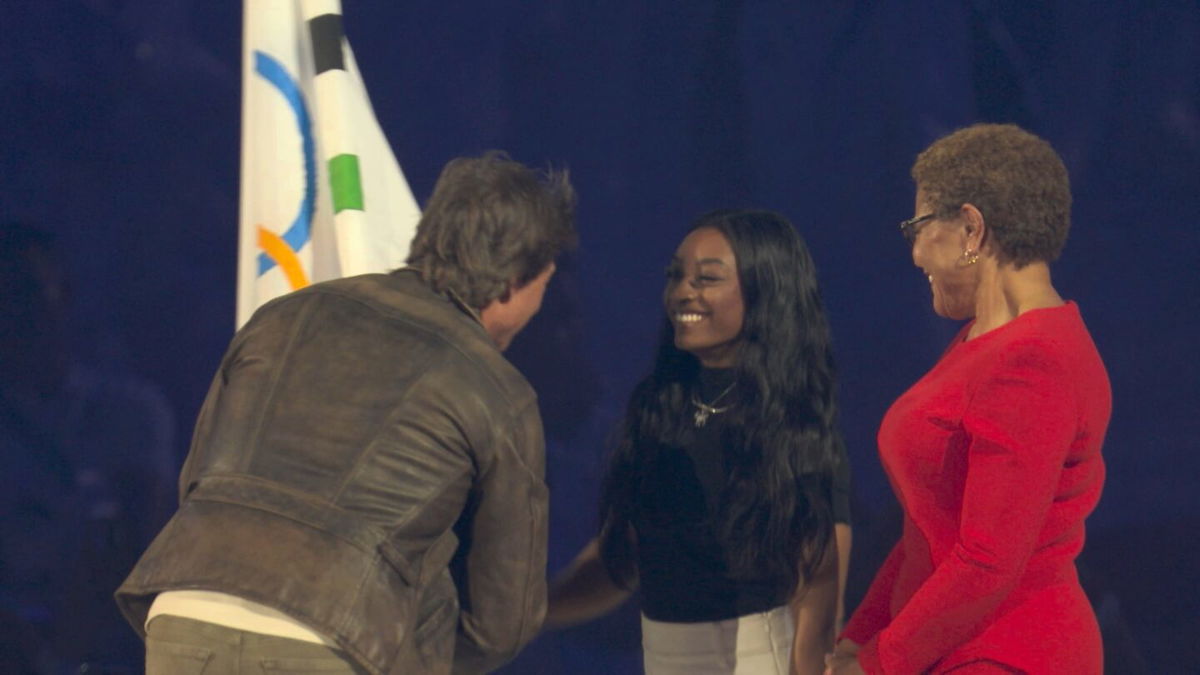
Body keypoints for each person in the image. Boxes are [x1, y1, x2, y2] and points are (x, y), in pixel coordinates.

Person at [115, 152, 577, 675]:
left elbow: (198, 483)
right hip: (331, 641)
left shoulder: (282, 315)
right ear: (515, 280)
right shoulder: (499, 391)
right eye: (546, 284)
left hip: (183, 611)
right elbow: (503, 621)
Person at [826, 124, 1110, 674]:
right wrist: (858, 641)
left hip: (1005, 655)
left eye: (918, 227)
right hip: (947, 649)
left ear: (971, 228)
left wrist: (877, 662)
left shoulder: (1033, 361)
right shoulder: (988, 339)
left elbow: (986, 560)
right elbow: (926, 534)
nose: (914, 254)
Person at [546, 210, 853, 674]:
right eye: (676, 276)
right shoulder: (657, 406)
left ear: (764, 292)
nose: (682, 292)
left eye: (707, 278)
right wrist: (526, 617)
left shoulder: (795, 426)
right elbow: (623, 557)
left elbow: (819, 586)